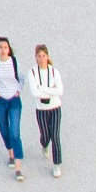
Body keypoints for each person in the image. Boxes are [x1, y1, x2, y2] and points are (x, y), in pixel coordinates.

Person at [0, 37, 25, 181]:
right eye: (0, 47)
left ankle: (18, 168)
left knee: (15, 133)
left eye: (5, 47)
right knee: (4, 130)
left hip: (13, 101)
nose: (3, 50)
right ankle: (11, 154)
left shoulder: (14, 62)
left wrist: (18, 90)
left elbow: (22, 78)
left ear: (9, 49)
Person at [26, 43, 63, 178]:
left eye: (44, 56)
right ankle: (44, 145)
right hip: (41, 109)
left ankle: (57, 165)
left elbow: (59, 91)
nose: (41, 59)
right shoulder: (33, 72)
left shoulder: (54, 72)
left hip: (55, 108)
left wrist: (42, 88)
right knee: (45, 135)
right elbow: (34, 92)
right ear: (36, 57)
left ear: (47, 56)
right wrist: (49, 91)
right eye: (39, 56)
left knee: (55, 136)